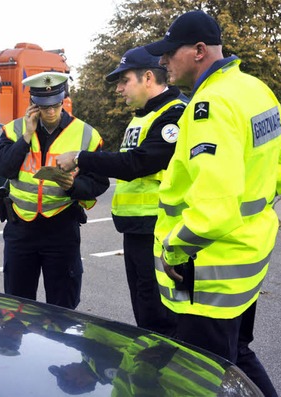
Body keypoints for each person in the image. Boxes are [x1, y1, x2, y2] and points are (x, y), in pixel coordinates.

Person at [143, 10, 281, 396]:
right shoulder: (254, 89)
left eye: (169, 52)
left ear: (198, 51)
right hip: (243, 264)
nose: (163, 61)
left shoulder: (209, 106)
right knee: (236, 357)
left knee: (202, 376)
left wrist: (176, 248)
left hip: (204, 271)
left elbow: (214, 207)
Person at [56, 46, 186, 336]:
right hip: (137, 230)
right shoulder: (141, 117)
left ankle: (163, 379)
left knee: (161, 320)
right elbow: (123, 163)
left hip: (158, 229)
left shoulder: (173, 115)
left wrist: (80, 157)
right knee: (146, 315)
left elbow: (137, 163)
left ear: (148, 77)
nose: (118, 89)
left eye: (124, 80)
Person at [0, 71, 109, 310]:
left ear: (63, 99)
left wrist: (73, 186)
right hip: (20, 229)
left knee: (63, 305)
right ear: (33, 104)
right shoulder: (13, 130)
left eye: (56, 104)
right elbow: (3, 168)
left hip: (61, 228)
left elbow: (99, 182)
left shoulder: (86, 134)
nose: (52, 112)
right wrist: (25, 137)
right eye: (45, 107)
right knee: (17, 305)